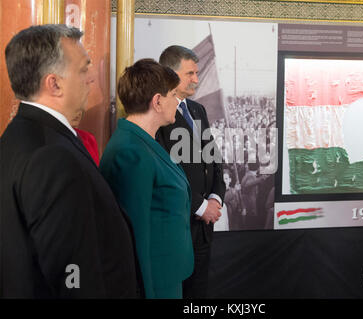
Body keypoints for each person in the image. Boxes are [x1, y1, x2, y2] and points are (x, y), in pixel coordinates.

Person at [0, 24, 143, 298]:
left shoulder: (21, 137)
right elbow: (72, 275)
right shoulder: (51, 156)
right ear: (54, 84)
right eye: (83, 69)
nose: (91, 78)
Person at [99, 58, 193, 299]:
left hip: (166, 276)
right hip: (153, 285)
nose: (178, 100)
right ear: (158, 101)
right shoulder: (131, 152)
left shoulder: (145, 143)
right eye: (174, 94)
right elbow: (133, 237)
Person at [157, 45, 225, 298]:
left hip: (204, 229)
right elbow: (165, 172)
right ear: (170, 74)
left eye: (197, 73)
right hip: (178, 225)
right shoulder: (158, 112)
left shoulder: (198, 110)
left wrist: (216, 198)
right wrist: (199, 206)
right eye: (190, 73)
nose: (197, 79)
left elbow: (214, 160)